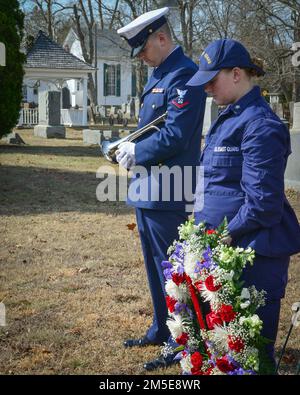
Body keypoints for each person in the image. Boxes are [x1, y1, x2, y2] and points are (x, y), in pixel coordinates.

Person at [187, 38, 300, 371]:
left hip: (251, 258)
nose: (206, 86)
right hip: (225, 253)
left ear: (237, 73)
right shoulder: (231, 115)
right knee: (222, 350)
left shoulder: (259, 125)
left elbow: (263, 203)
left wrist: (224, 234)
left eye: (212, 79)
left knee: (248, 357)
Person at [116, 7, 207, 371]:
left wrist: (139, 150)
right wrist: (128, 145)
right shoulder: (162, 75)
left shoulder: (183, 74)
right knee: (155, 268)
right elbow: (153, 128)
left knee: (171, 268)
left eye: (143, 49)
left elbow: (176, 134)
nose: (140, 56)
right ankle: (161, 327)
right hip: (149, 187)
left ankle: (179, 339)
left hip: (168, 188)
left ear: (162, 38)